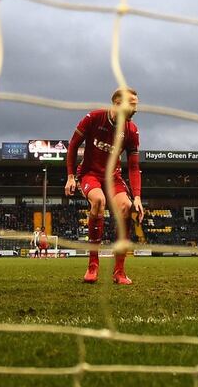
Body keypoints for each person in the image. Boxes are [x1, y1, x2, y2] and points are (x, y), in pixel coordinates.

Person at [65, 87, 143, 285]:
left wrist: (137, 197)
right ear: (118, 104)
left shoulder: (132, 131)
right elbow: (73, 145)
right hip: (90, 174)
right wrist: (71, 176)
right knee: (98, 201)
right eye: (132, 104)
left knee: (126, 207)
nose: (136, 108)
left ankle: (120, 271)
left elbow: (134, 167)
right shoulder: (94, 118)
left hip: (113, 178)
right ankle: (93, 266)